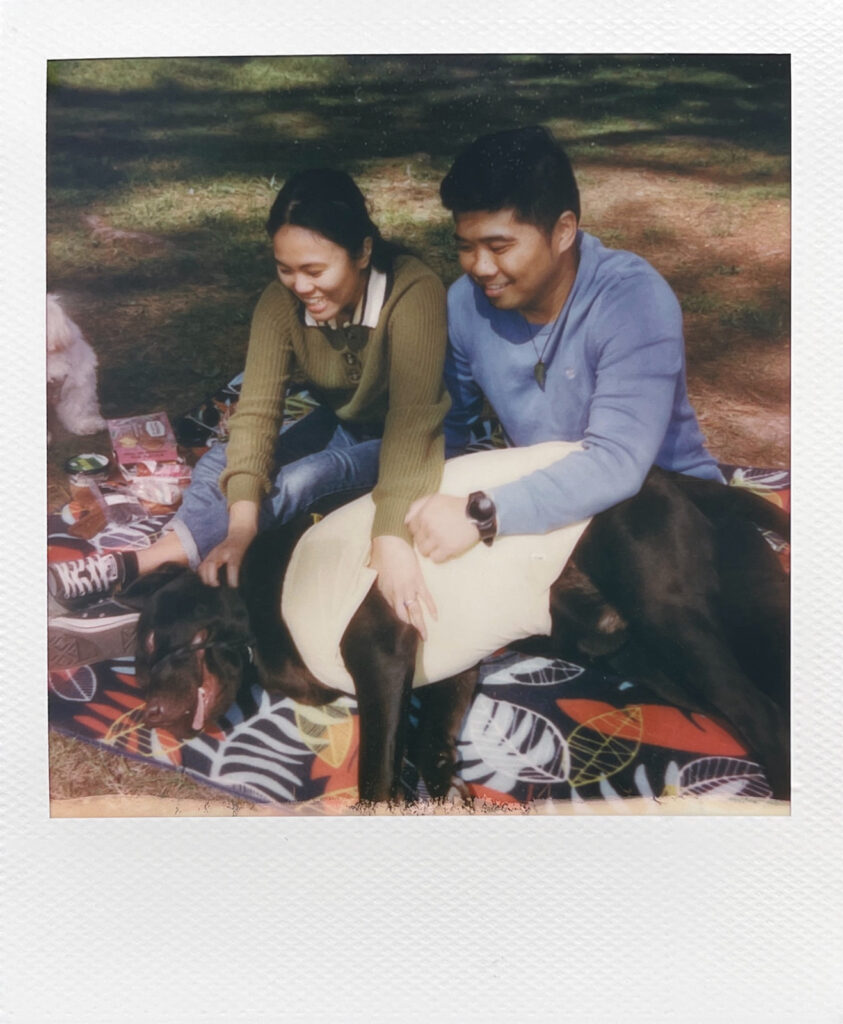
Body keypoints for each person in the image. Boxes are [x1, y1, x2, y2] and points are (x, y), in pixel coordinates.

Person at [49, 168, 449, 665]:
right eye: (285, 269)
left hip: (417, 441)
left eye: (315, 270)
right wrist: (238, 532)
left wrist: (392, 536)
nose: (300, 285)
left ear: (363, 252)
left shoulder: (415, 291)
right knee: (228, 460)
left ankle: (138, 574)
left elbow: (412, 423)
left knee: (303, 478)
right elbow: (257, 414)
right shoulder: (278, 304)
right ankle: (156, 584)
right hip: (344, 423)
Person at [405, 125, 722, 560]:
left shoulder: (632, 300)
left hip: (670, 506)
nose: (479, 267)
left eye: (499, 246)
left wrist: (481, 514)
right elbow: (446, 434)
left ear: (563, 231)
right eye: (465, 247)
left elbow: (618, 461)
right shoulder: (465, 304)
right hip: (553, 514)